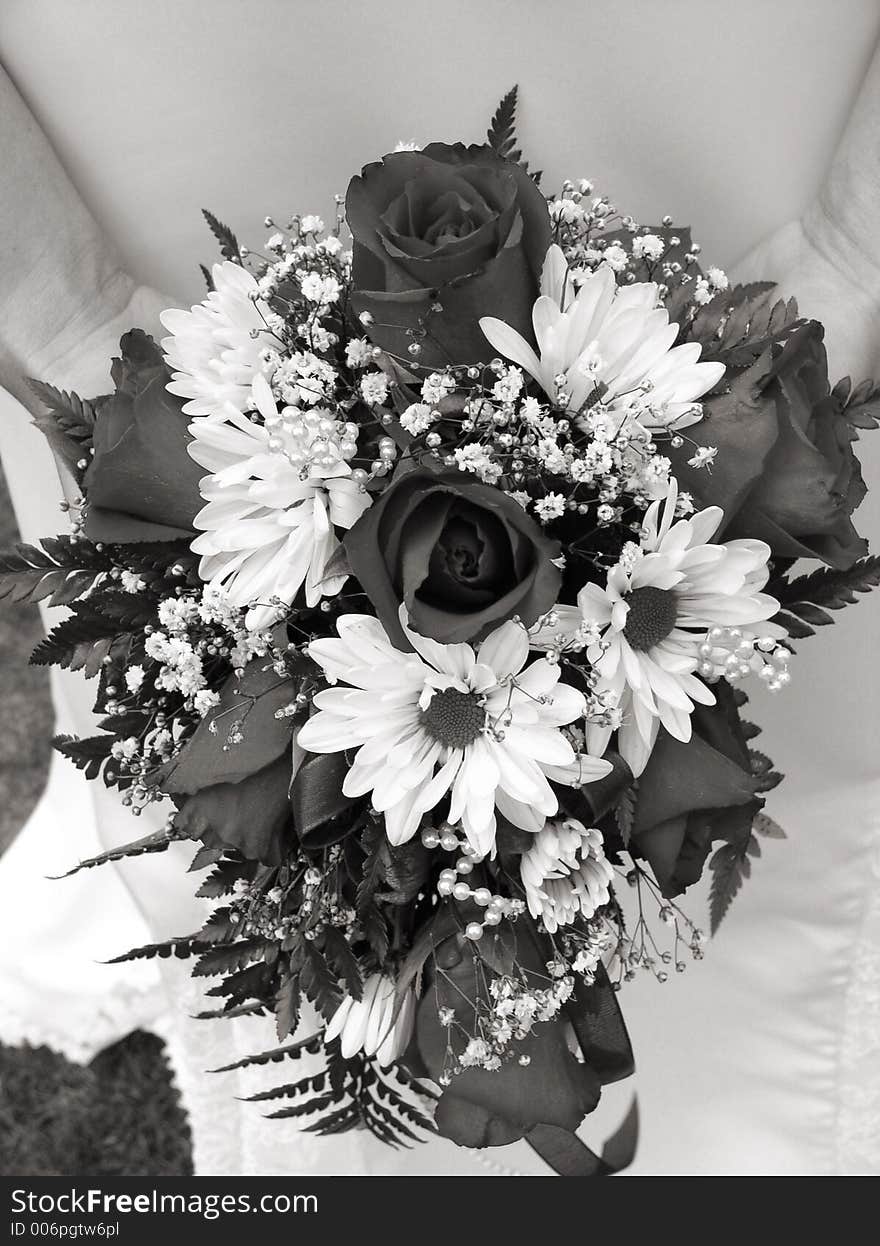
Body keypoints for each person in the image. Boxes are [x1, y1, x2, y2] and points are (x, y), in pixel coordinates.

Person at [0, 2, 877, 1174]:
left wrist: (854, 256)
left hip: (745, 110)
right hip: (136, 130)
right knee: (234, 798)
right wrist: (57, 321)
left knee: (803, 784)